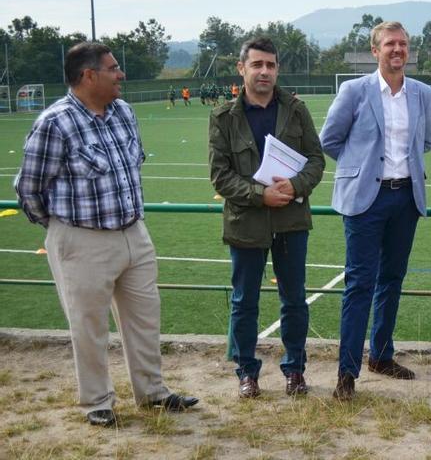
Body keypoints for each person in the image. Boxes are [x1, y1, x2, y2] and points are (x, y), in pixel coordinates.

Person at [14, 42, 198, 427]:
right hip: (82, 241)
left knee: (145, 319)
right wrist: (63, 230)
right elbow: (28, 188)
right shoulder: (55, 122)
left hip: (134, 233)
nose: (121, 75)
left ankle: (152, 393)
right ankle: (97, 401)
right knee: (88, 325)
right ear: (88, 75)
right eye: (113, 68)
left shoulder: (124, 113)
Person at [320, 21, 431, 401]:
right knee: (359, 285)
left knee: (392, 280)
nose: (397, 49)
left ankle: (382, 356)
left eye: (403, 43)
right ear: (376, 51)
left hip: (405, 200)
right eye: (390, 44)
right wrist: (362, 167)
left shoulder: (422, 93)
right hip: (365, 203)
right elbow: (330, 140)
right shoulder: (354, 90)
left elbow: (427, 141)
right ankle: (346, 374)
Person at [209, 37, 325, 399]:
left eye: (270, 65)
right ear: (241, 68)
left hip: (291, 221)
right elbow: (220, 176)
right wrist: (262, 195)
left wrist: (293, 186)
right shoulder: (223, 117)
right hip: (247, 224)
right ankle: (246, 372)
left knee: (294, 300)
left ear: (277, 69)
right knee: (244, 301)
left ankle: (294, 371)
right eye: (257, 64)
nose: (264, 71)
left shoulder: (296, 109)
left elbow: (316, 160)